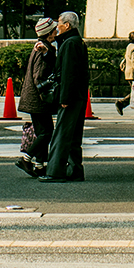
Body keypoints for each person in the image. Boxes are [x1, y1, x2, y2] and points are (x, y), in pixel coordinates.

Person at [42, 10, 89, 182]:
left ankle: (55, 171)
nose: (57, 26)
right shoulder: (77, 42)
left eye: (59, 23)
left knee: (61, 134)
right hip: (79, 95)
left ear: (67, 25)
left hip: (70, 96)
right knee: (74, 136)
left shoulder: (69, 44)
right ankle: (75, 169)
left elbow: (68, 73)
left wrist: (65, 98)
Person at [16, 17, 59, 177]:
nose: (57, 31)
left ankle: (39, 165)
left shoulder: (43, 48)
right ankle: (26, 159)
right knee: (46, 132)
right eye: (54, 29)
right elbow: (39, 76)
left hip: (33, 98)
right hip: (38, 100)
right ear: (48, 34)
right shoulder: (43, 50)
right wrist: (46, 96)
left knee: (42, 131)